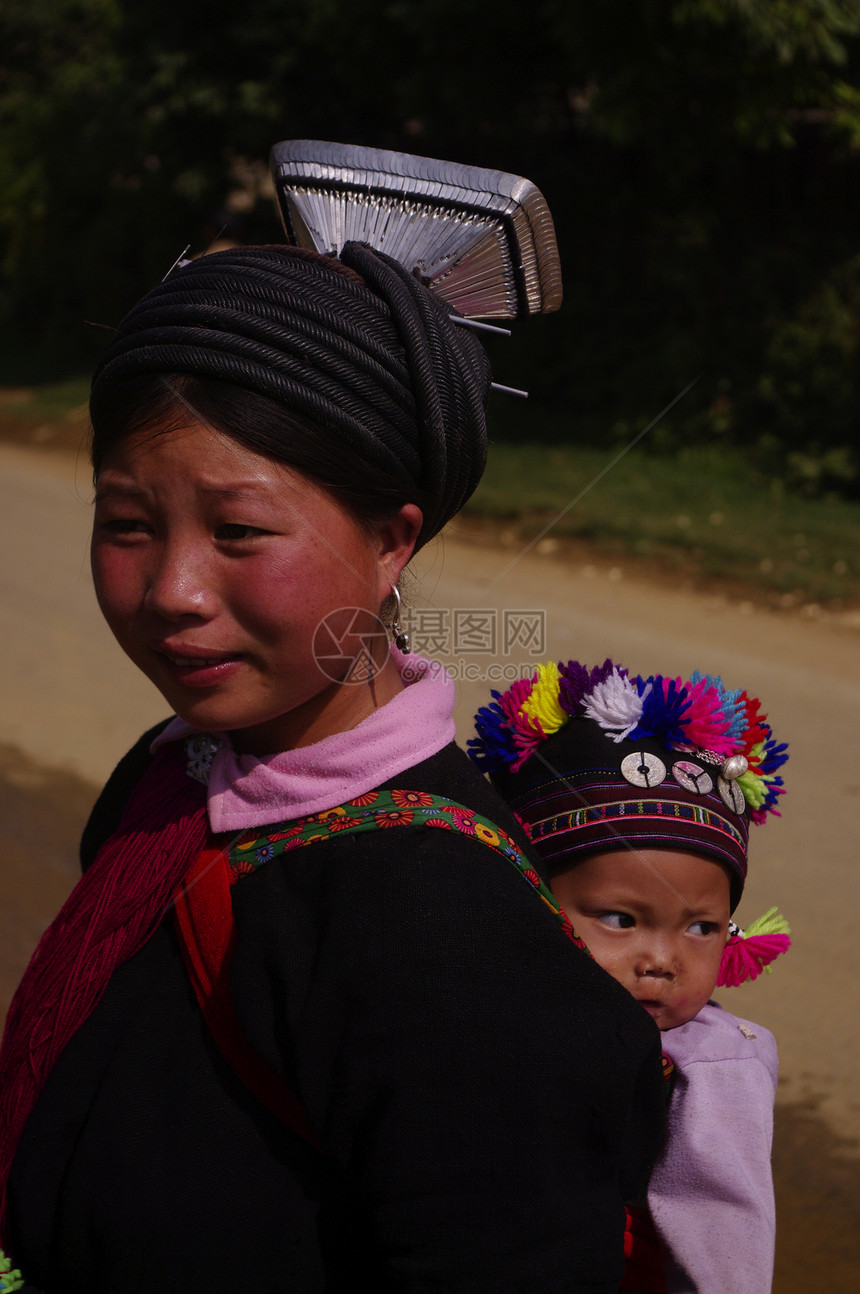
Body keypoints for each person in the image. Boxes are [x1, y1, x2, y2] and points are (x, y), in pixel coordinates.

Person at [0, 150, 666, 1294]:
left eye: (241, 530)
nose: (172, 590)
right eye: (126, 521)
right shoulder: (171, 777)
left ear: (392, 538)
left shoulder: (445, 944)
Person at [469, 659, 791, 1293]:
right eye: (620, 918)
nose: (662, 961)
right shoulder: (471, 1006)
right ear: (528, 900)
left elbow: (729, 1250)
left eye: (701, 928)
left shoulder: (714, 1075)